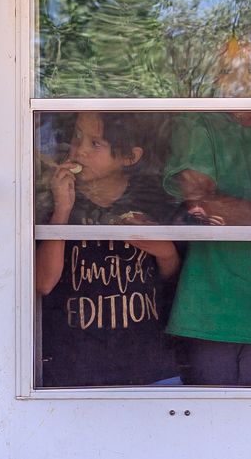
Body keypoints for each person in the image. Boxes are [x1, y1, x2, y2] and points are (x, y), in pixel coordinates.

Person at [166, 44, 251, 387]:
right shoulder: (200, 122)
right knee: (210, 426)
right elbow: (201, 202)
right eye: (228, 70)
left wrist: (242, 211)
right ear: (214, 79)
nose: (240, 81)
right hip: (211, 308)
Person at [34, 111, 182, 388]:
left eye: (95, 144)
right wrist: (62, 209)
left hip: (149, 368)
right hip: (75, 368)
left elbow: (174, 282)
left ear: (130, 157)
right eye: (77, 137)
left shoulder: (152, 200)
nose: (79, 151)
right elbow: (43, 283)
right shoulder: (54, 201)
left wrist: (165, 252)